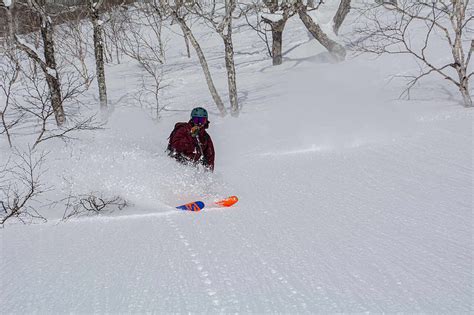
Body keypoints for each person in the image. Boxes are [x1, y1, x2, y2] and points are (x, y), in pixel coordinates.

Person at [167, 107, 215, 171]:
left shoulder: (205, 137)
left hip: (192, 166)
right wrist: (191, 136)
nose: (199, 123)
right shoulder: (183, 129)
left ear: (205, 121)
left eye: (202, 120)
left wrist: (209, 172)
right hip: (176, 162)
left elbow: (210, 156)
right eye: (196, 120)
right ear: (192, 120)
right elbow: (175, 146)